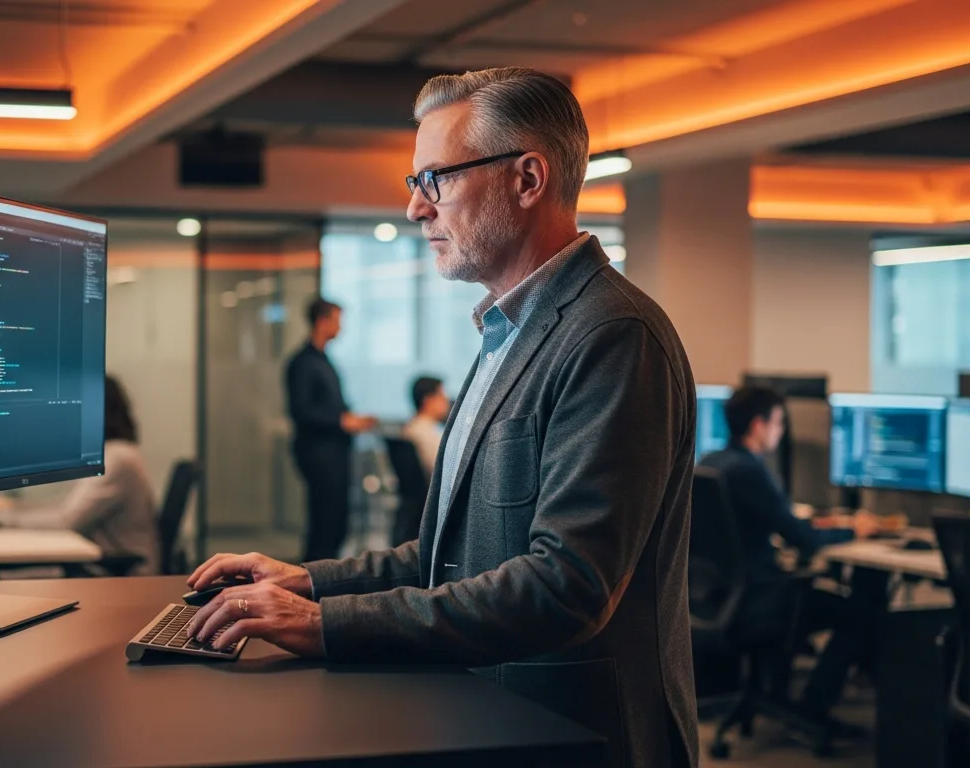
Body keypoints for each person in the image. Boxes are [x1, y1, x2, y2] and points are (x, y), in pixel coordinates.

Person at [183, 67, 698, 768]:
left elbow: (566, 587)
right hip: (490, 715)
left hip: (575, 734)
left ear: (527, 179)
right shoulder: (506, 331)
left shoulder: (612, 334)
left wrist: (324, 625)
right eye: (415, 184)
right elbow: (440, 557)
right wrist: (305, 582)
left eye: (437, 180)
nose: (416, 210)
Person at [699, 386, 880, 719]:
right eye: (779, 424)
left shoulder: (711, 462)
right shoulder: (750, 471)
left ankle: (781, 694)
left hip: (715, 598)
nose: (781, 433)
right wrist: (855, 529)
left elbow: (771, 521)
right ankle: (815, 705)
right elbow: (802, 539)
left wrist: (820, 522)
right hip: (759, 600)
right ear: (758, 426)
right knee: (863, 614)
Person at [0, 375, 160, 575]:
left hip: (114, 570)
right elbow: (64, 504)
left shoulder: (117, 458)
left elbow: (67, 519)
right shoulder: (107, 453)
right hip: (97, 562)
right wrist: (1, 508)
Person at [284, 299, 377, 562]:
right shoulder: (304, 362)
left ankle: (321, 580)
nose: (340, 327)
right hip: (319, 454)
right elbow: (301, 411)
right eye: (337, 320)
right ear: (322, 321)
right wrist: (342, 421)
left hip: (333, 452)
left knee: (334, 521)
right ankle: (313, 584)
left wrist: (349, 419)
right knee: (325, 523)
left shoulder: (322, 359)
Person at [402, 375, 448, 478]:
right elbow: (444, 472)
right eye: (441, 395)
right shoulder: (425, 433)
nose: (446, 400)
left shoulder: (412, 427)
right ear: (428, 400)